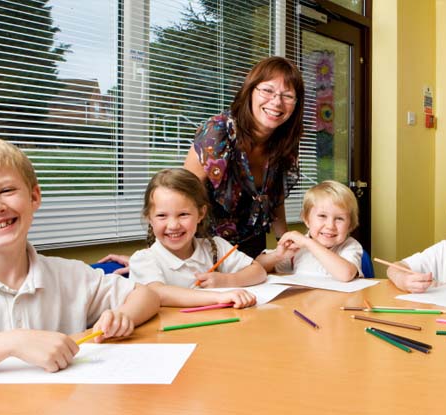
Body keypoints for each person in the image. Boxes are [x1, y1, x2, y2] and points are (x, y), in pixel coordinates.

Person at [0, 136, 159, 385]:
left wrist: (122, 315)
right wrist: (11, 342)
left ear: (34, 197)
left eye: (6, 190)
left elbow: (146, 296)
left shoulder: (70, 274)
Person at [183, 56, 304, 258]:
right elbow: (181, 197)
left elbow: (275, 198)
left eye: (288, 95)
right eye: (267, 90)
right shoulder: (218, 133)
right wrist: (159, 257)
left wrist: (287, 246)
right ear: (250, 91)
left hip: (253, 250)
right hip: (204, 250)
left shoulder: (286, 142)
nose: (277, 102)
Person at [128, 168, 266, 308]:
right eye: (162, 216)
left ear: (201, 213)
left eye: (183, 214)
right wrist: (219, 297)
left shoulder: (216, 246)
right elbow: (158, 293)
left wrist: (226, 280)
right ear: (149, 218)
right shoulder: (144, 260)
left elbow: (259, 272)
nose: (174, 225)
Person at [256, 180, 363, 282]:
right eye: (322, 216)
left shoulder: (350, 246)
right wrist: (277, 256)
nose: (330, 226)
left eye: (339, 218)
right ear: (307, 220)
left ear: (350, 225)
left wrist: (309, 243)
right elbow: (256, 267)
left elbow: (346, 274)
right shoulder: (297, 247)